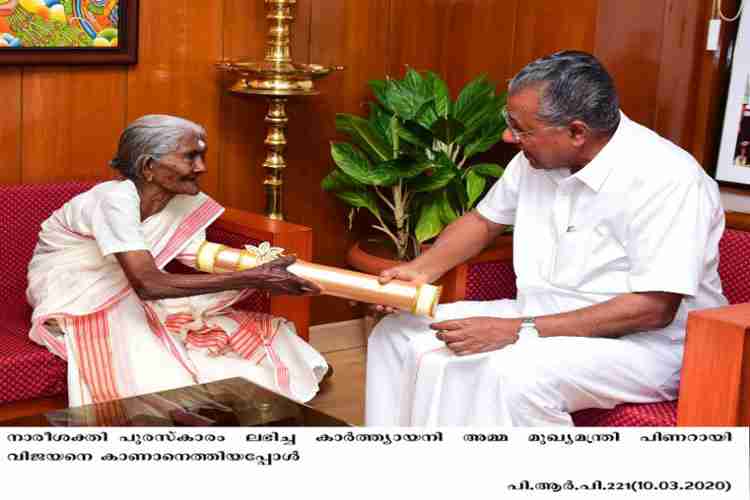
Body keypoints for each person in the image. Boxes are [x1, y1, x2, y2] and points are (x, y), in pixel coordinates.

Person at [365, 51, 727, 426]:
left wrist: (516, 331)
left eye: (521, 129)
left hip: (645, 346)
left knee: (511, 374)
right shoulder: (535, 160)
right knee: (398, 334)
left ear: (576, 132)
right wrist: (420, 271)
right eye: (510, 123)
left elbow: (652, 309)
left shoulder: (667, 178)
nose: (509, 136)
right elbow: (483, 222)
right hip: (537, 316)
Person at [27, 114, 328, 408]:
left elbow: (196, 255)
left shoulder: (185, 200)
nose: (202, 167)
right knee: (160, 372)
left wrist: (261, 263)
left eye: (202, 156)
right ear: (148, 166)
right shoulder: (114, 199)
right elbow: (148, 284)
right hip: (73, 292)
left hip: (134, 288)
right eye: (190, 157)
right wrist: (255, 277)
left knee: (252, 345)